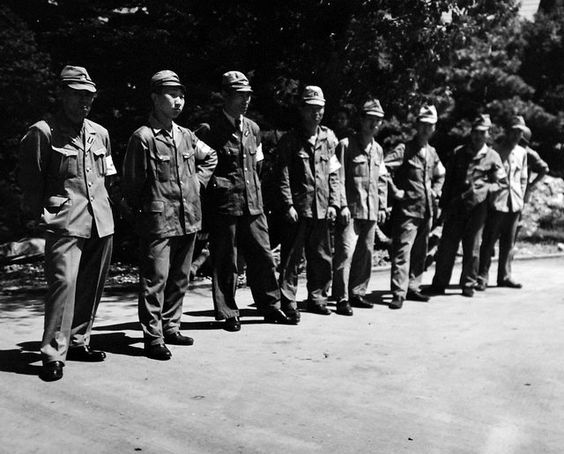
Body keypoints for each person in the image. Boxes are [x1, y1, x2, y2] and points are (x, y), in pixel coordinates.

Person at [19, 66, 115, 381]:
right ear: (62, 94)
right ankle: (52, 353)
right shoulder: (43, 132)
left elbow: (106, 176)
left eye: (89, 96)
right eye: (77, 94)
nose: (84, 102)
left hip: (100, 219)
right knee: (64, 285)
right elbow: (31, 182)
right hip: (63, 221)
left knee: (91, 286)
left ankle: (78, 341)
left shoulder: (100, 133)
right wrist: (40, 218)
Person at [122, 70, 217, 360]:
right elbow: (132, 184)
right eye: (172, 94)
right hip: (158, 221)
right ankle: (153, 337)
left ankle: (171, 326)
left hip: (188, 216)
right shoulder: (143, 138)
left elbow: (211, 156)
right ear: (154, 98)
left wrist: (197, 182)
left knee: (180, 277)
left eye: (182, 95)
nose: (178, 101)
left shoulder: (186, 135)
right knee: (156, 280)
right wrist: (145, 209)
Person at [204, 71, 291, 332]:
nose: (245, 101)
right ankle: (228, 312)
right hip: (224, 205)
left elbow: (259, 164)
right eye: (240, 95)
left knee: (263, 255)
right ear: (226, 96)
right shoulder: (209, 129)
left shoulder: (252, 128)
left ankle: (270, 306)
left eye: (248, 96)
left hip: (253, 203)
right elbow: (199, 168)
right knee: (226, 260)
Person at [277, 85, 341, 315]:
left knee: (322, 256)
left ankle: (318, 298)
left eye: (320, 108)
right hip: (299, 208)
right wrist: (287, 205)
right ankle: (288, 301)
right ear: (302, 109)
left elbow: (335, 173)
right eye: (311, 108)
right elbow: (282, 175)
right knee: (292, 257)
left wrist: (335, 203)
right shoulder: (291, 140)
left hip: (323, 207)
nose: (316, 113)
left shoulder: (329, 137)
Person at [428, 114, 507, 297]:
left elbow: (502, 184)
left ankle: (468, 284)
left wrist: (486, 188)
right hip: (456, 206)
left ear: (488, 134)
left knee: (472, 248)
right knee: (447, 247)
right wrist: (443, 205)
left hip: (478, 208)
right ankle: (439, 284)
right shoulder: (459, 152)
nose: (477, 136)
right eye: (474, 132)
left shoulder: (493, 156)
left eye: (481, 132)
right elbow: (448, 182)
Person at [331, 98, 388, 316]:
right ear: (362, 120)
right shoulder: (346, 145)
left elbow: (381, 179)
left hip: (371, 209)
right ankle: (341, 297)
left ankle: (357, 293)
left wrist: (382, 205)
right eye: (370, 120)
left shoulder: (379, 150)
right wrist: (341, 205)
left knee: (365, 253)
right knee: (345, 253)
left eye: (378, 121)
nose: (374, 124)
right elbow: (337, 176)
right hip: (351, 210)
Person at [387, 105, 445, 309]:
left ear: (434, 128)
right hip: (407, 211)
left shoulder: (432, 152)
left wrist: (436, 192)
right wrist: (395, 192)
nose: (426, 129)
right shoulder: (405, 149)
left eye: (430, 126)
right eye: (423, 125)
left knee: (420, 251)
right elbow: (383, 168)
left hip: (426, 210)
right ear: (417, 125)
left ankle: (413, 287)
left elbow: (440, 174)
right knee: (403, 252)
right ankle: (398, 292)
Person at [476, 115, 528, 290]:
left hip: (515, 203)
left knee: (508, 242)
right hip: (497, 203)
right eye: (514, 131)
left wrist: (522, 200)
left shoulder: (522, 153)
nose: (516, 136)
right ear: (508, 131)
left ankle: (504, 275)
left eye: (520, 132)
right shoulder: (495, 151)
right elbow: (488, 177)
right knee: (489, 241)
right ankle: (482, 276)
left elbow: (523, 178)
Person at [521, 126, 549, 204]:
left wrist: (531, 185)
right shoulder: (509, 150)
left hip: (522, 188)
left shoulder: (530, 154)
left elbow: (545, 169)